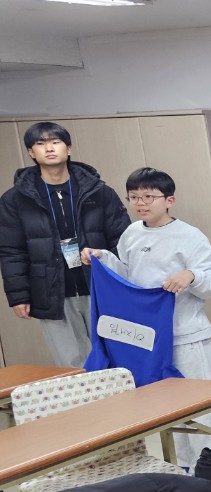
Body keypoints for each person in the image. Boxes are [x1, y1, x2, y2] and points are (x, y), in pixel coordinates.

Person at [81, 168, 211, 470]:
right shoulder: (132, 233)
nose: (140, 203)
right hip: (149, 340)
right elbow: (127, 277)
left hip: (186, 335)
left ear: (169, 200)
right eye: (134, 197)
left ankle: (209, 468)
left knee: (201, 407)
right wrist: (104, 259)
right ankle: (183, 469)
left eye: (148, 196)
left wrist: (191, 275)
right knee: (170, 410)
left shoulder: (190, 236)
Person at [0, 121, 130, 368]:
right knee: (73, 364)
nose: (49, 148)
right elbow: (11, 251)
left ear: (68, 149)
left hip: (100, 286)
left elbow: (122, 240)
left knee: (117, 357)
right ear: (31, 152)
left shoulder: (99, 192)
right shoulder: (15, 199)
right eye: (41, 143)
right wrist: (19, 296)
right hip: (51, 292)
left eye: (55, 142)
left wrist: (124, 282)